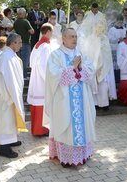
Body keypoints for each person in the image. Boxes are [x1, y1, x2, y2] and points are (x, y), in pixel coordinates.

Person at [43, 28, 96, 167]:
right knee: (65, 126)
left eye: (76, 36)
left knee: (82, 124)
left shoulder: (80, 54)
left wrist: (81, 67)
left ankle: (82, 155)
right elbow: (52, 74)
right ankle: (66, 157)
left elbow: (91, 69)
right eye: (71, 36)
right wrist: (71, 68)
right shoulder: (56, 55)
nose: (74, 39)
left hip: (82, 99)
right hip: (64, 99)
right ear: (63, 38)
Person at [0, 33, 27, 158]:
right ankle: (4, 147)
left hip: (12, 93)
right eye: (19, 42)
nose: (21, 45)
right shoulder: (6, 57)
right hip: (7, 96)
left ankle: (11, 139)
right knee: (6, 121)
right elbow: (8, 79)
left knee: (11, 120)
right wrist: (10, 96)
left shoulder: (10, 54)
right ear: (13, 43)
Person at [80, 3, 117, 110]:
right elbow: (85, 30)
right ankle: (95, 103)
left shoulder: (104, 37)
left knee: (103, 83)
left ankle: (104, 104)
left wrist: (101, 44)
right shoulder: (88, 17)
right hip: (93, 61)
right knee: (93, 82)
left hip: (103, 62)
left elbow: (106, 50)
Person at [28, 23, 53, 136]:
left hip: (36, 78)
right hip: (43, 81)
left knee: (37, 105)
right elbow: (45, 66)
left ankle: (36, 129)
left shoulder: (37, 45)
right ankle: (42, 130)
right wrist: (49, 80)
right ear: (47, 32)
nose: (52, 34)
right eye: (51, 32)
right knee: (42, 105)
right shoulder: (46, 46)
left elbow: (32, 62)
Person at [14, 7, 34, 79]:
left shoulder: (15, 22)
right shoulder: (25, 21)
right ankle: (24, 76)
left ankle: (18, 76)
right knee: (25, 61)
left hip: (17, 44)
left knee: (18, 60)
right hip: (25, 43)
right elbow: (32, 31)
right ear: (24, 14)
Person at [107, 15, 126, 81]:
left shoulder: (125, 29)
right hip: (115, 48)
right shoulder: (112, 29)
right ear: (116, 21)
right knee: (115, 63)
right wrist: (118, 40)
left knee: (122, 63)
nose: (120, 24)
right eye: (119, 22)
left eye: (121, 22)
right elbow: (109, 39)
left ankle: (122, 78)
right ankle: (115, 79)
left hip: (123, 49)